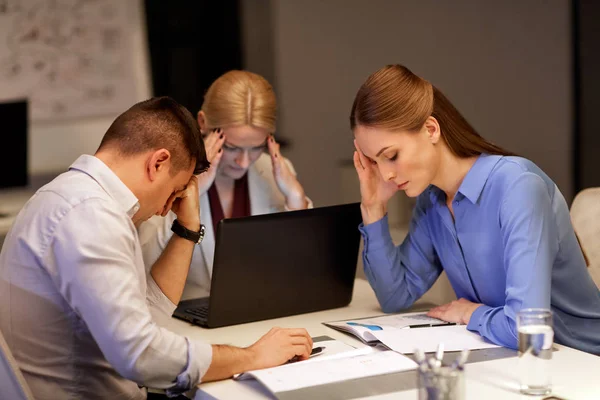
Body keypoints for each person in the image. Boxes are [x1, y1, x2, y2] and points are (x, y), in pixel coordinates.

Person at [0, 97, 312, 400]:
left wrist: (187, 230)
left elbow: (145, 314)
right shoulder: (91, 216)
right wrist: (252, 356)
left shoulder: (71, 198)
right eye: (174, 192)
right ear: (158, 162)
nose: (166, 209)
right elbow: (140, 354)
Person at [350, 64, 600, 354]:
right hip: (509, 359)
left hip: (582, 363)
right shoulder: (431, 202)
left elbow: (527, 329)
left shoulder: (518, 187)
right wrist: (373, 206)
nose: (385, 174)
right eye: (375, 162)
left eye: (391, 156)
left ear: (431, 129)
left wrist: (471, 314)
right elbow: (394, 295)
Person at [139, 71, 311, 293]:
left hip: (263, 310)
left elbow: (303, 268)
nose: (243, 161)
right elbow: (143, 264)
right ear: (202, 123)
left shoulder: (275, 170)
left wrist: (296, 199)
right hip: (184, 319)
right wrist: (191, 191)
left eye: (257, 147)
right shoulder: (167, 173)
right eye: (231, 147)